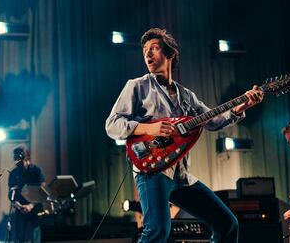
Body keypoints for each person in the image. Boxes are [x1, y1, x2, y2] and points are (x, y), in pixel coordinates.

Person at [105, 28, 264, 242]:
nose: (148, 54)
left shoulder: (187, 96)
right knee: (158, 230)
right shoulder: (137, 86)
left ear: (170, 54)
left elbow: (213, 121)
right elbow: (112, 124)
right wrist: (147, 128)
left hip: (180, 175)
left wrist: (240, 106)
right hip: (151, 171)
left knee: (227, 224)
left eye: (154, 48)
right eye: (144, 50)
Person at [8, 144, 45, 243]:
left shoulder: (36, 171)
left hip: (35, 210)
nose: (14, 159)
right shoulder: (13, 173)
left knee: (35, 238)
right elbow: (11, 195)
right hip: (20, 212)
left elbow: (43, 192)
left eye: (16, 156)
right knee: (20, 239)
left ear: (24, 157)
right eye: (14, 156)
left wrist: (31, 205)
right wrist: (19, 207)